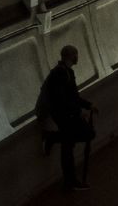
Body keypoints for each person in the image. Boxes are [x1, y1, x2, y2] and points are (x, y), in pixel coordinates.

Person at [38, 45, 96, 191]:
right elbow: (63, 100)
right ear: (70, 56)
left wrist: (88, 105)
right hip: (64, 116)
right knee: (80, 138)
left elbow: (73, 97)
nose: (78, 57)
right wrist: (77, 113)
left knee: (70, 143)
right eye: (76, 54)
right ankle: (70, 181)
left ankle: (52, 138)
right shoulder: (62, 74)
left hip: (65, 115)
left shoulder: (65, 72)